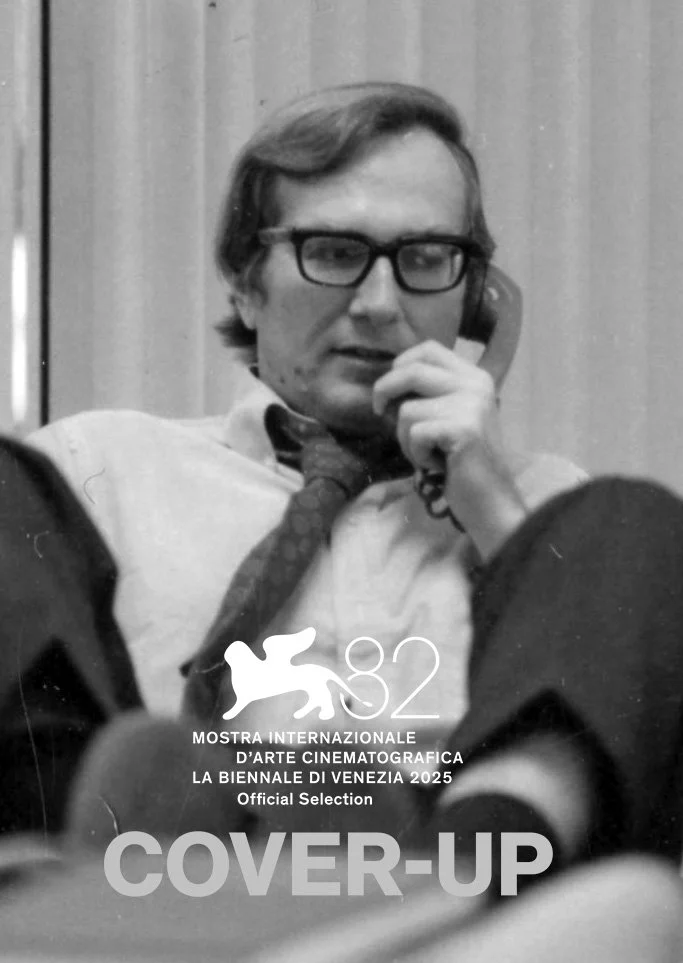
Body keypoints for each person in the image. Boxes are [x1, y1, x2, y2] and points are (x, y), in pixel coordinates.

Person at [2, 81, 683, 905]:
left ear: (474, 299)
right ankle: (70, 864)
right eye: (331, 252)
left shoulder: (554, 520)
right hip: (154, 869)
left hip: (473, 898)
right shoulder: (96, 468)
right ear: (246, 283)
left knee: (632, 517)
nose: (380, 304)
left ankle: (470, 858)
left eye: (425, 259)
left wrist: (494, 510)